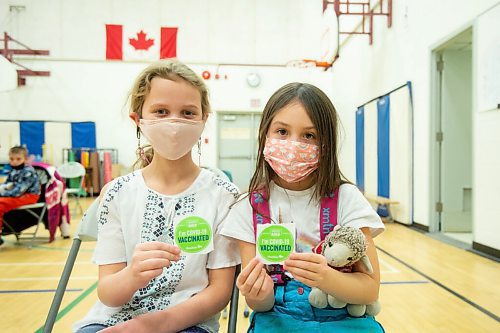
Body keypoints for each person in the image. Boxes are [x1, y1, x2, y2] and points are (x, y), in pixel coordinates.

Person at [73, 60, 239, 333]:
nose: (174, 122)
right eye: (161, 111)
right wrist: (132, 275)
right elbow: (108, 293)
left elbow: (219, 293)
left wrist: (151, 326)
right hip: (111, 321)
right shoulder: (118, 193)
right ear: (138, 120)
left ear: (203, 120)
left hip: (189, 323)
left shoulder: (223, 196)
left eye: (187, 112)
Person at [220, 82, 385, 332]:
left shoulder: (347, 199)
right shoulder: (248, 208)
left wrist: (328, 278)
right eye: (282, 132)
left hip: (345, 320)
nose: (293, 145)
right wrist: (258, 293)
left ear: (326, 144)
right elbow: (259, 305)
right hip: (278, 320)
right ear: (264, 134)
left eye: (309, 135)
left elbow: (369, 289)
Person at [0, 146, 41, 246]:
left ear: (25, 159)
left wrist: (3, 192)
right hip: (15, 196)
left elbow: (17, 191)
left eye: (18, 159)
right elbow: (6, 186)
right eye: (11, 159)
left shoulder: (28, 172)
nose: (14, 162)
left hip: (29, 196)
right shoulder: (12, 171)